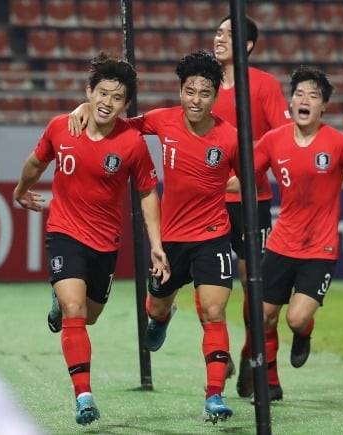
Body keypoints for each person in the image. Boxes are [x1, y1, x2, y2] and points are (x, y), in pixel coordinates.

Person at [68, 49, 239, 424]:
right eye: (190, 91)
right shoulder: (162, 120)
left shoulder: (230, 136)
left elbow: (252, 178)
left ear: (216, 95)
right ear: (180, 91)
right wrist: (83, 106)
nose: (196, 99)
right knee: (157, 307)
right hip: (171, 240)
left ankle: (214, 396)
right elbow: (117, 122)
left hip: (213, 236)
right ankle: (160, 317)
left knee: (213, 312)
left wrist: (220, 185)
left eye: (205, 93)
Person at [13, 52, 169, 426]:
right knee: (75, 311)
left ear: (126, 105)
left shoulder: (131, 142)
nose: (106, 103)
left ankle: (62, 301)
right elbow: (37, 162)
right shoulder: (61, 127)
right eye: (100, 94)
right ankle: (84, 396)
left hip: (105, 241)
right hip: (64, 231)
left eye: (117, 98)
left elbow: (147, 192)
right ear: (89, 91)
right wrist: (21, 190)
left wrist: (157, 246)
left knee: (90, 315)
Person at [229, 66, 343, 401]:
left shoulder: (339, 143)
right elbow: (246, 177)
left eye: (313, 96)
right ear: (291, 102)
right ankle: (272, 384)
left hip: (319, 249)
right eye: (299, 94)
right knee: (262, 316)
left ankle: (304, 332)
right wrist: (208, 185)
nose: (304, 100)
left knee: (294, 319)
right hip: (281, 243)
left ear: (324, 107)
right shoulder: (273, 140)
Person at [208, 14, 292, 398]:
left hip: (250, 201)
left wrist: (246, 173)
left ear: (247, 45)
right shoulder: (202, 86)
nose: (219, 37)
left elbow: (283, 138)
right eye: (218, 31)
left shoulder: (263, 85)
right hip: (205, 202)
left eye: (228, 33)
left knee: (251, 287)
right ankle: (219, 354)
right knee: (210, 283)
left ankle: (249, 359)